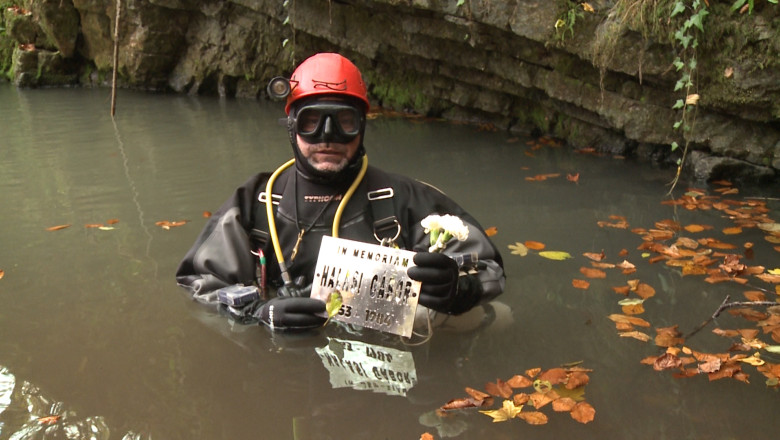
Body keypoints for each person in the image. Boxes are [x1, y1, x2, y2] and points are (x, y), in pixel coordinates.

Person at [176, 53, 505, 332]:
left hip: (384, 349)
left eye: (344, 122)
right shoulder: (256, 203)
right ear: (291, 126)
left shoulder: (405, 198)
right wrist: (259, 313)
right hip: (288, 351)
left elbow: (488, 269)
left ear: (362, 127)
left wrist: (459, 289)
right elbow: (199, 282)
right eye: (311, 122)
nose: (327, 137)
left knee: (500, 319)